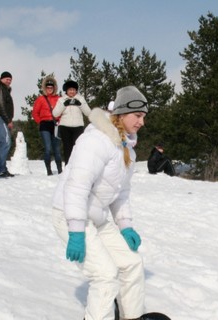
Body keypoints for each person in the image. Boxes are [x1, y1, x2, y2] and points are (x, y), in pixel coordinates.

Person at [52, 85, 148, 320]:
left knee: (131, 263)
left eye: (144, 117)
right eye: (137, 116)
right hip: (70, 214)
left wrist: (125, 225)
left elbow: (121, 192)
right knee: (105, 274)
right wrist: (76, 231)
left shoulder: (127, 149)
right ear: (122, 113)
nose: (141, 122)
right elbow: (76, 187)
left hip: (95, 216)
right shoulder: (96, 141)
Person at [52, 80, 92, 164]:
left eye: (74, 90)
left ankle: (77, 167)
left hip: (78, 127)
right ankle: (67, 167)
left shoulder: (80, 98)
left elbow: (88, 113)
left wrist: (80, 104)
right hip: (65, 127)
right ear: (66, 90)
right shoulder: (61, 100)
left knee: (78, 148)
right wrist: (64, 104)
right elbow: (55, 114)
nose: (72, 92)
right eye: (70, 90)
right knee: (67, 149)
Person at [32, 75, 62, 175]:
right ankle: (49, 170)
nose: (49, 89)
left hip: (56, 124)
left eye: (51, 87)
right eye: (48, 87)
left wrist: (60, 121)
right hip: (45, 124)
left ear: (54, 88)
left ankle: (60, 170)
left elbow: (63, 111)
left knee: (57, 148)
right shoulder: (40, 99)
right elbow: (35, 113)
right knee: (48, 147)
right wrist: (40, 122)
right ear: (45, 88)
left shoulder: (59, 98)